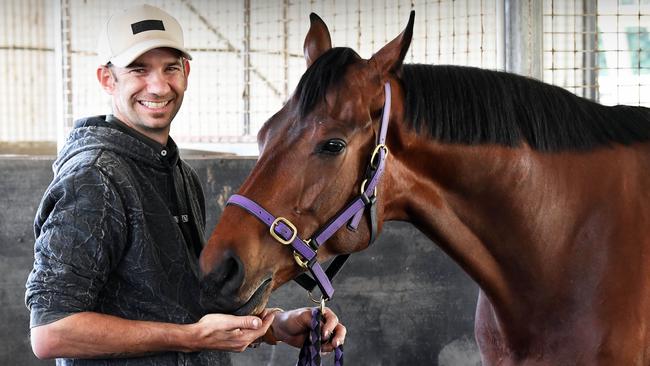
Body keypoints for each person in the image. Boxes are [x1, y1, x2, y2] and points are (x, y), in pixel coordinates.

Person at [25, 4, 345, 365]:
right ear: (107, 79)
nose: (159, 86)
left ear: (186, 72)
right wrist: (191, 338)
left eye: (170, 68)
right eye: (138, 70)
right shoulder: (94, 178)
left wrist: (278, 325)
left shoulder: (180, 174)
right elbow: (51, 332)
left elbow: (185, 303)